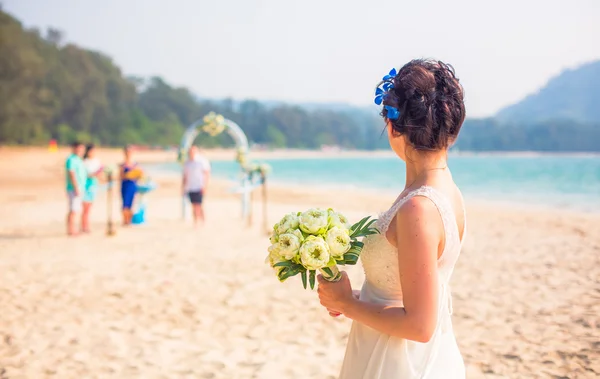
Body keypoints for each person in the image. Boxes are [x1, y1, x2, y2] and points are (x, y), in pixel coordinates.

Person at [317, 59, 467, 378]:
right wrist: (354, 298)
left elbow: (419, 325)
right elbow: (407, 290)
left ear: (393, 125)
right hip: (404, 350)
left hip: (399, 362)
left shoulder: (419, 208)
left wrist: (347, 304)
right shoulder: (447, 190)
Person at [182, 146, 211, 225]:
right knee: (193, 205)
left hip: (199, 186)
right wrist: (183, 187)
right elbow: (185, 176)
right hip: (190, 186)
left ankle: (202, 221)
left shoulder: (201, 161)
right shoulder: (187, 163)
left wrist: (205, 185)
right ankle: (196, 222)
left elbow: (207, 173)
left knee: (198, 205)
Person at [65, 141, 87, 236]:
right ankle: (71, 230)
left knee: (77, 209)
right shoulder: (71, 159)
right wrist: (76, 187)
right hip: (74, 188)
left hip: (80, 187)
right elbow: (72, 173)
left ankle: (74, 229)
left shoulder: (79, 159)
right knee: (73, 209)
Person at [81, 144, 103, 233]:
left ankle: (86, 225)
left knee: (89, 207)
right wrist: (94, 174)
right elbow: (84, 174)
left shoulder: (96, 161)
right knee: (85, 207)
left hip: (94, 185)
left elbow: (100, 174)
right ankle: (84, 226)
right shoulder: (84, 161)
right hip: (86, 185)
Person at [119, 145, 142, 226]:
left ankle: (129, 220)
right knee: (125, 203)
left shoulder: (135, 164)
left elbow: (140, 175)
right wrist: (127, 175)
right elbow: (120, 176)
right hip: (125, 185)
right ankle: (125, 220)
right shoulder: (123, 164)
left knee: (132, 204)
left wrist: (136, 175)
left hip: (133, 185)